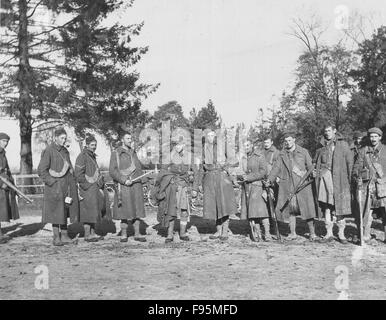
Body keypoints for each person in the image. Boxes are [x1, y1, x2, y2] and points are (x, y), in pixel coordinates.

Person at [266, 131, 319, 241]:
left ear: (294, 140)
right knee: (291, 210)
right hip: (288, 185)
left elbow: (310, 167)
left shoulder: (303, 152)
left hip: (302, 185)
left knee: (308, 210)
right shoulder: (282, 154)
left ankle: (312, 233)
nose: (288, 143)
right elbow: (276, 169)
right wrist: (269, 180)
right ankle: (292, 233)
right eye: (286, 141)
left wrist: (313, 173)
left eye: (290, 140)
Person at [38, 127, 80, 246]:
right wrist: (52, 183)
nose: (64, 140)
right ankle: (56, 237)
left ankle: (65, 236)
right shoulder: (49, 150)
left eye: (65, 138)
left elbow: (70, 168)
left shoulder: (65, 151)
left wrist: (73, 181)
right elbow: (41, 170)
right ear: (55, 138)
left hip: (66, 187)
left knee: (65, 211)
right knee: (56, 212)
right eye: (62, 138)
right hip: (54, 188)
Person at [193, 129, 238, 241]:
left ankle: (225, 231)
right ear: (205, 137)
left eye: (213, 135)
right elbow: (200, 169)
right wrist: (196, 186)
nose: (211, 138)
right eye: (208, 136)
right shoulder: (203, 149)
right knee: (214, 206)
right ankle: (218, 230)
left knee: (224, 205)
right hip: (208, 178)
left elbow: (233, 160)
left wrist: (227, 170)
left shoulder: (222, 147)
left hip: (221, 177)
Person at [313, 125, 353, 244]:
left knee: (340, 206)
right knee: (327, 206)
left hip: (340, 180)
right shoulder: (321, 145)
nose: (327, 133)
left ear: (334, 131)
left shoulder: (343, 145)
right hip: (325, 178)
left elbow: (349, 163)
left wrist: (350, 181)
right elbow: (315, 161)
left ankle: (341, 234)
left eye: (329, 130)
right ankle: (328, 233)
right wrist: (316, 170)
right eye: (325, 131)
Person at [154, 141, 197, 243]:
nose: (177, 147)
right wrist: (166, 180)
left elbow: (196, 172)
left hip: (184, 187)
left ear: (184, 145)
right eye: (175, 145)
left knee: (184, 210)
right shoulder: (170, 155)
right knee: (171, 209)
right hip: (172, 186)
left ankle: (182, 233)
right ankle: (170, 234)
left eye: (180, 144)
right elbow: (163, 170)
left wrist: (195, 188)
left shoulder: (190, 156)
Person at [109, 131, 146, 242]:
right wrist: (124, 180)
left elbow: (138, 168)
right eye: (128, 138)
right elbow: (112, 171)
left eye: (131, 138)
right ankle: (124, 234)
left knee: (137, 210)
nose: (130, 140)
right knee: (124, 211)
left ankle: (137, 233)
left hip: (136, 186)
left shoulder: (133, 152)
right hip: (124, 187)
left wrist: (142, 180)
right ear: (122, 140)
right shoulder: (116, 153)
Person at [352, 127, 386, 244]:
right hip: (368, 186)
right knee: (367, 211)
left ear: (380, 137)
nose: (373, 139)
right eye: (371, 136)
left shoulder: (385, 150)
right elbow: (356, 167)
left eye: (376, 136)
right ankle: (365, 235)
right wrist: (358, 177)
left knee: (385, 211)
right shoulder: (363, 150)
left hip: (383, 185)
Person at [75, 134, 106, 242]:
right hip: (87, 190)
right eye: (92, 145)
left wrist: (100, 181)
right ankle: (87, 235)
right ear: (87, 145)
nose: (94, 147)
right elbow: (78, 175)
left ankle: (93, 233)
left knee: (93, 212)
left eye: (95, 145)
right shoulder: (82, 156)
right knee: (87, 213)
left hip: (94, 189)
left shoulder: (92, 156)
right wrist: (87, 186)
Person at [240, 140, 271, 241]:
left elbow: (263, 172)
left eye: (248, 145)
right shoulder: (243, 158)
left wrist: (249, 177)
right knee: (252, 212)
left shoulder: (259, 156)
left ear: (252, 145)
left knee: (262, 211)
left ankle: (267, 233)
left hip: (257, 186)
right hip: (247, 188)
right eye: (244, 146)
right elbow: (241, 171)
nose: (246, 147)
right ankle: (256, 233)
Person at [0, 133, 19, 244]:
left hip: (5, 184)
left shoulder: (3, 154)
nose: (5, 143)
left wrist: (12, 183)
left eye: (7, 141)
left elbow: (6, 170)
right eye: (3, 141)